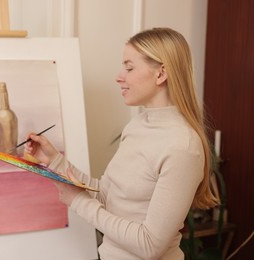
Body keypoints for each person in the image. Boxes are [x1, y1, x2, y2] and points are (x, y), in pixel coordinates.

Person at [24, 27, 218, 260]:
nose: (119, 76)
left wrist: (78, 202)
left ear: (161, 74)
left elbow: (150, 245)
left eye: (129, 67)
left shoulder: (182, 146)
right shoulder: (137, 126)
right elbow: (106, 195)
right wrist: (53, 160)